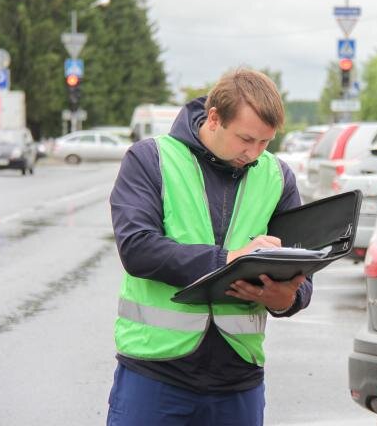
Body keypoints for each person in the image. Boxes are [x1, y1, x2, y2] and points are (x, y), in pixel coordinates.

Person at [106, 68, 312, 425]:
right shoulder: (150, 158)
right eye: (246, 139)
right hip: (155, 374)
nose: (254, 153)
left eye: (266, 142)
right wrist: (230, 260)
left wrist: (289, 299)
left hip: (239, 381)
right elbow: (138, 249)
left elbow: (300, 268)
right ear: (214, 118)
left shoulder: (277, 176)